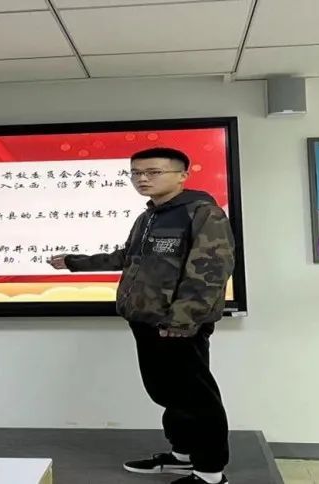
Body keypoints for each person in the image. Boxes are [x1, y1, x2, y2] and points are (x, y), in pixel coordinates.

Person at [48, 147, 236, 484]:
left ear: (182, 175)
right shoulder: (149, 217)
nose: (142, 179)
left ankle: (210, 472)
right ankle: (182, 456)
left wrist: (181, 320)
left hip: (177, 325)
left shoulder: (202, 213)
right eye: (136, 173)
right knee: (169, 394)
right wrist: (75, 262)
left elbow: (210, 270)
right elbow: (128, 257)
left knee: (196, 398)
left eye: (153, 172)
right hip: (147, 320)